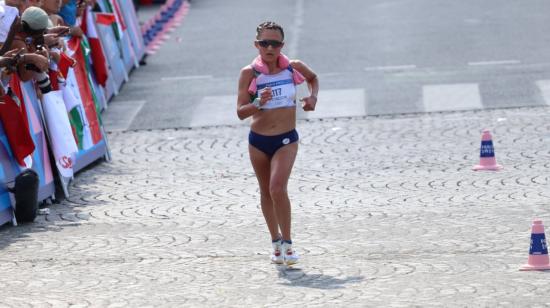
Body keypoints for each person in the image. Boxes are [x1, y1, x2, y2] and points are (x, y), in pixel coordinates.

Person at [236, 21, 319, 265]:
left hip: (286, 139)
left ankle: (289, 244)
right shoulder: (249, 73)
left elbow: (313, 79)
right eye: (264, 43)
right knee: (265, 192)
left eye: (275, 43)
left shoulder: (293, 67)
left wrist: (313, 97)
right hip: (258, 141)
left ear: (282, 45)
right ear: (256, 45)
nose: (269, 48)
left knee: (277, 188)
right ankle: (275, 242)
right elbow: (240, 112)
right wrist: (257, 103)